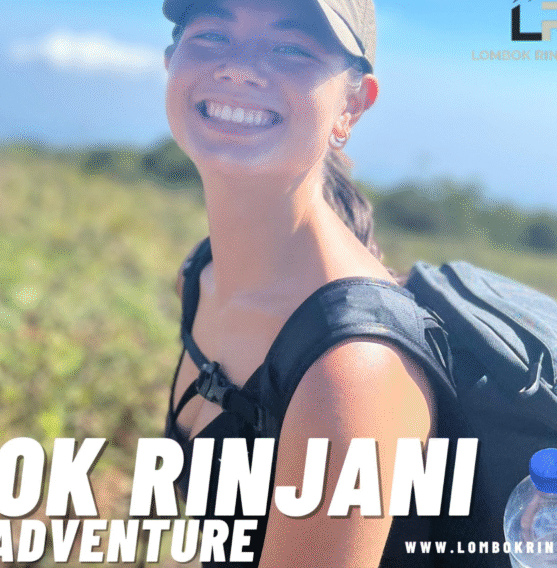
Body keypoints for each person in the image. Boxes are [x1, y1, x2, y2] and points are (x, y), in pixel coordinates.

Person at [162, 0, 437, 566]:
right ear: (171, 61)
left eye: (291, 48)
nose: (239, 68)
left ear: (353, 104)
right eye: (213, 34)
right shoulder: (205, 273)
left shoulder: (351, 366)